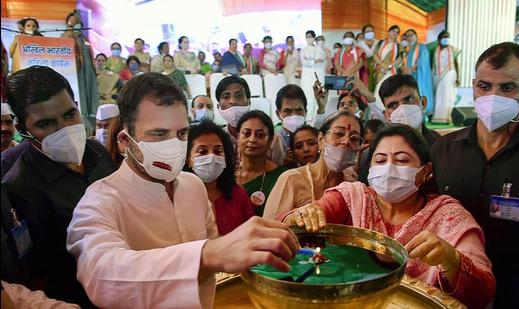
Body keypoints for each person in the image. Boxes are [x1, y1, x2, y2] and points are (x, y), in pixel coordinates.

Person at [66, 73, 300, 308]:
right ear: (125, 141)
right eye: (159, 134)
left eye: (182, 134)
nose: (174, 144)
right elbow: (102, 274)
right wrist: (207, 256)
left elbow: (214, 248)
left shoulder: (193, 186)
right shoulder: (99, 200)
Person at [283, 124, 496, 309]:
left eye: (402, 160)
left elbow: (482, 293)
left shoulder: (448, 215)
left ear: (426, 171)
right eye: (381, 160)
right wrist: (299, 217)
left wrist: (451, 260)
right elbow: (295, 221)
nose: (389, 168)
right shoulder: (353, 198)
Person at [430, 42, 519, 308]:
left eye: (507, 88)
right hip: (454, 287)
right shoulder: (444, 150)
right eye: (484, 86)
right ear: (473, 86)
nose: (493, 96)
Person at [2, 66, 116, 306]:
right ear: (23, 129)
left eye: (69, 115)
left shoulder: (97, 152)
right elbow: (38, 270)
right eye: (46, 124)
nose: (65, 129)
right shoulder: (19, 186)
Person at [264, 111, 364, 220]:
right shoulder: (291, 179)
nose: (346, 141)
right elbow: (269, 229)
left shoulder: (353, 188)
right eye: (339, 133)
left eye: (354, 139)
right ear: (321, 140)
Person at [184, 120, 254, 235]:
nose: (211, 156)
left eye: (218, 151)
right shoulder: (178, 196)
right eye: (202, 151)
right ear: (188, 159)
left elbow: (252, 234)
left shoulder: (237, 193)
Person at [236, 110, 287, 216]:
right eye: (246, 134)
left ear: (270, 141)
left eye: (260, 135)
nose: (252, 139)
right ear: (238, 137)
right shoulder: (226, 175)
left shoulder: (283, 177)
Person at [62, 10, 98, 132]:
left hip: (88, 74)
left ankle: (91, 124)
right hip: (76, 75)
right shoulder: (65, 38)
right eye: (72, 24)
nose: (75, 27)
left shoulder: (84, 38)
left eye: (77, 24)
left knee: (89, 98)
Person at [379, 74, 440, 145]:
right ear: (386, 116)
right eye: (393, 105)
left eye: (409, 99)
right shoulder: (382, 149)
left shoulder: (441, 145)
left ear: (423, 103)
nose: (403, 109)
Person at [271, 84, 309, 165]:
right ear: (278, 114)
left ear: (306, 112)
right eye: (287, 111)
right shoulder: (273, 140)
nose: (294, 116)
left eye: (299, 111)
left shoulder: (311, 137)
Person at [402, 29, 434, 117]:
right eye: (407, 36)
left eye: (411, 35)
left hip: (419, 76)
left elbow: (423, 60)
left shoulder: (421, 47)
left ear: (416, 36)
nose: (409, 38)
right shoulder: (408, 50)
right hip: (410, 76)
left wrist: (412, 69)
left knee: (419, 93)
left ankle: (422, 114)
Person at [432, 30, 460, 123]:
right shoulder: (435, 49)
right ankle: (438, 117)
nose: (446, 39)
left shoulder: (452, 49)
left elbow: (456, 63)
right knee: (439, 96)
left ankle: (447, 118)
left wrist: (459, 76)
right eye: (444, 37)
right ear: (439, 39)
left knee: (448, 96)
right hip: (437, 75)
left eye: (447, 37)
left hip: (449, 74)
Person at [373, 25, 402, 104]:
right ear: (388, 32)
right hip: (380, 70)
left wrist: (389, 66)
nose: (395, 33)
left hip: (391, 71)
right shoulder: (380, 43)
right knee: (378, 90)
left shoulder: (399, 46)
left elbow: (400, 59)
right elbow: (375, 55)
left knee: (389, 90)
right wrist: (382, 65)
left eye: (397, 32)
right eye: (393, 31)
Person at [301, 30, 326, 121]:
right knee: (308, 95)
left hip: (317, 74)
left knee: (317, 95)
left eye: (311, 36)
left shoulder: (318, 48)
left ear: (314, 38)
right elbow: (304, 62)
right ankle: (308, 117)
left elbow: (321, 59)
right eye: (307, 36)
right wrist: (313, 61)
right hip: (306, 76)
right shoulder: (303, 49)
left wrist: (311, 62)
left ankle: (317, 116)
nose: (309, 38)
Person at [356, 24, 379, 92]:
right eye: (367, 31)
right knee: (366, 86)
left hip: (376, 66)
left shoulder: (378, 43)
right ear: (363, 33)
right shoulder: (359, 44)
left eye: (371, 31)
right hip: (364, 68)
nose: (370, 33)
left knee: (377, 87)